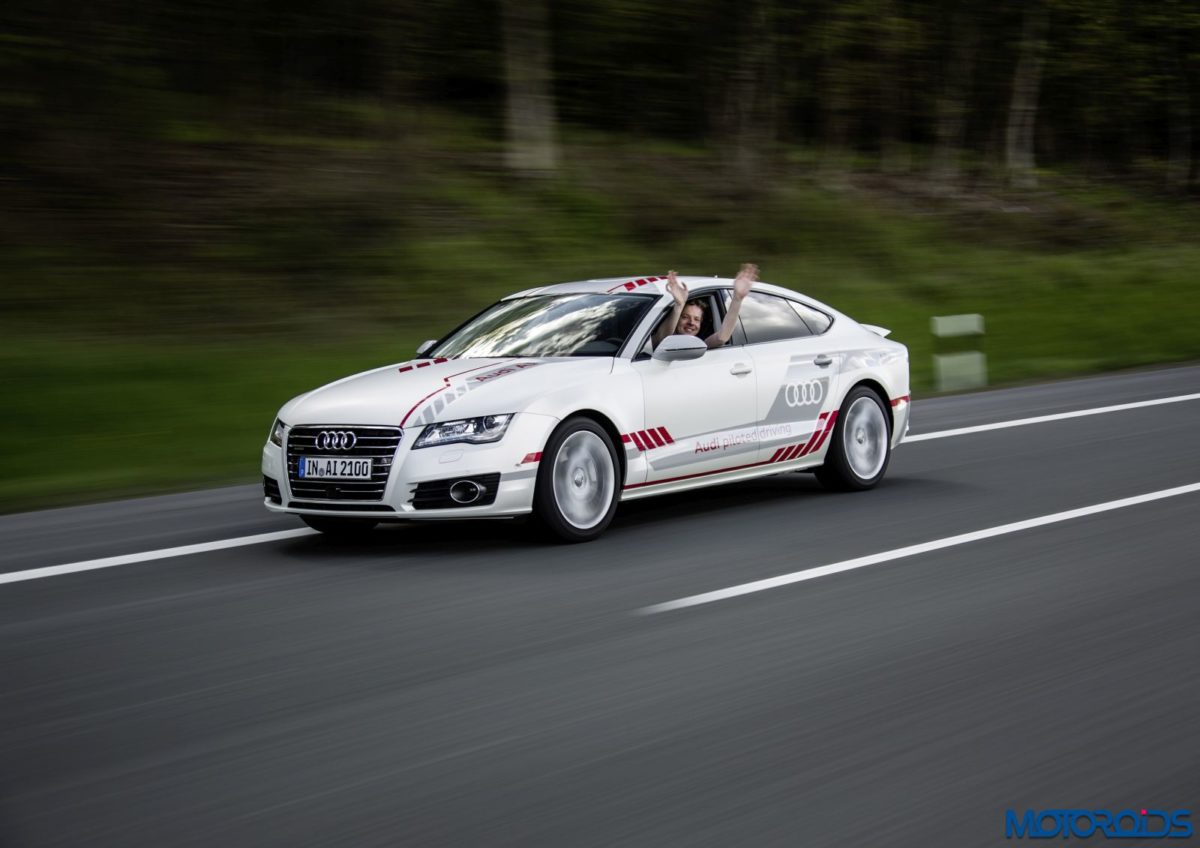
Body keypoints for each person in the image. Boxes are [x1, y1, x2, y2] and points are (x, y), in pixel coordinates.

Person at [651, 263, 757, 350]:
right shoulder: (657, 340)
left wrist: (737, 299)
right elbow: (663, 339)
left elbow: (722, 337)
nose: (691, 323)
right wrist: (679, 305)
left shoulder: (700, 345)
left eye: (697, 319)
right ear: (677, 319)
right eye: (685, 317)